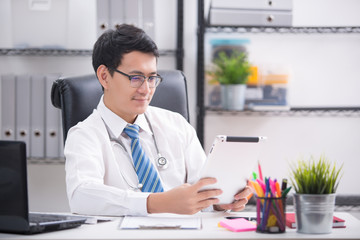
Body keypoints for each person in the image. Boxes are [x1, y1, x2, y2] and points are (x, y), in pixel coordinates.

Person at [64, 24, 251, 216]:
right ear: (104, 77)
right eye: (135, 78)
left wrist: (221, 200)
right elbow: (81, 196)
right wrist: (156, 203)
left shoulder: (176, 125)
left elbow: (202, 188)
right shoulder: (84, 135)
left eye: (152, 78)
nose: (146, 90)